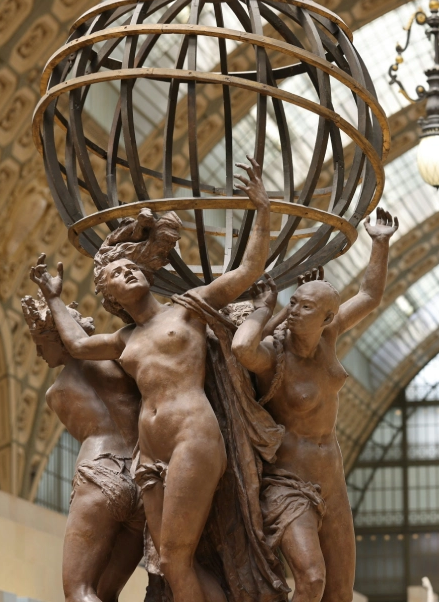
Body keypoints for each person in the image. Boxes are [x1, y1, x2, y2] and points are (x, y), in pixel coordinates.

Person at [30, 158, 277, 602]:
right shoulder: (124, 339)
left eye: (130, 268)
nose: (127, 271)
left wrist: (262, 209)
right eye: (115, 275)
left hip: (191, 438)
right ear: (111, 298)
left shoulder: (188, 308)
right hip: (149, 455)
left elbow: (247, 271)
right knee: (167, 561)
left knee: (177, 557)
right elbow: (77, 345)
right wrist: (53, 298)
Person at [230, 207, 399, 602]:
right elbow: (241, 348)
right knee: (311, 580)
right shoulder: (273, 354)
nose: (294, 311)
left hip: (332, 481)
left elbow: (370, 296)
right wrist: (266, 309)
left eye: (305, 307)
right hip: (289, 482)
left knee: (339, 594)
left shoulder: (329, 336)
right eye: (294, 303)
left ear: (326, 318)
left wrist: (379, 244)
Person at [21, 294, 143, 602]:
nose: (39, 353)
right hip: (143, 481)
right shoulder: (120, 364)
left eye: (41, 343)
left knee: (78, 591)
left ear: (60, 337)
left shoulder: (57, 392)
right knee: (106, 592)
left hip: (100, 476)